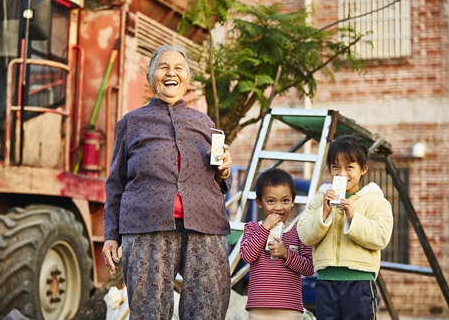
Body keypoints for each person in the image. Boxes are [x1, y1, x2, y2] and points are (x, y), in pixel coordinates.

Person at [102, 45, 233, 319]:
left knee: (207, 309)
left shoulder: (204, 123)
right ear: (151, 77)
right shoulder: (132, 123)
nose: (171, 73)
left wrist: (224, 171)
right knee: (150, 311)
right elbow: (115, 183)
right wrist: (111, 236)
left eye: (178, 68)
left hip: (205, 227)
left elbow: (220, 182)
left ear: (187, 78)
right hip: (146, 226)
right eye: (163, 67)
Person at [297, 135, 394, 320]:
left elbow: (381, 237)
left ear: (363, 169)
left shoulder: (375, 200)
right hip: (326, 282)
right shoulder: (320, 199)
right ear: (329, 169)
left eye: (349, 167)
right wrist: (324, 213)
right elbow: (305, 235)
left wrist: (353, 217)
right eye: (336, 167)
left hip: (360, 283)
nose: (342, 174)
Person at [240, 168, 314, 320]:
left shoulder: (300, 232)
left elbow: (308, 269)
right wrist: (265, 228)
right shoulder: (253, 228)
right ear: (259, 202)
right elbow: (248, 256)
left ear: (293, 201)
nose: (279, 207)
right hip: (258, 310)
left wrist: (286, 253)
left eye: (285, 200)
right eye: (271, 201)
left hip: (290, 311)